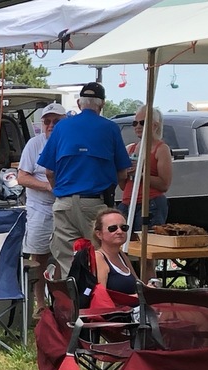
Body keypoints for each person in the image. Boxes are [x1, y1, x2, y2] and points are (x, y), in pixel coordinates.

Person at [38, 82, 132, 278]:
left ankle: (75, 296)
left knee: (69, 263)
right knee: (102, 258)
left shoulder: (61, 127)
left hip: (64, 204)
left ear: (80, 103)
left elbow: (49, 172)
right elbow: (123, 174)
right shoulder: (110, 128)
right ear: (102, 104)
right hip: (95, 203)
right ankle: (99, 295)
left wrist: (61, 193)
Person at [16, 102, 67, 277]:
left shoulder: (70, 142)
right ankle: (39, 294)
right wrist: (48, 186)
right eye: (47, 121)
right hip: (40, 209)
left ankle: (59, 292)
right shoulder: (34, 144)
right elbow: (22, 177)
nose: (51, 125)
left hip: (65, 208)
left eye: (56, 121)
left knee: (65, 255)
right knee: (39, 257)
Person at [69, 208, 140, 308]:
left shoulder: (121, 255)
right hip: (113, 314)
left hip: (132, 310)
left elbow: (138, 284)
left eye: (124, 227)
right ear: (99, 234)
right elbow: (101, 298)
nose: (120, 231)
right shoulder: (99, 258)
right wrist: (134, 297)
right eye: (112, 228)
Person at [118, 105, 173, 230]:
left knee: (146, 239)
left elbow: (164, 184)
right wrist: (124, 171)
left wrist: (140, 174)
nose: (137, 126)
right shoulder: (130, 148)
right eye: (134, 123)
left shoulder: (161, 149)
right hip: (127, 203)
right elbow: (123, 186)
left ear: (155, 125)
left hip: (151, 203)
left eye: (142, 123)